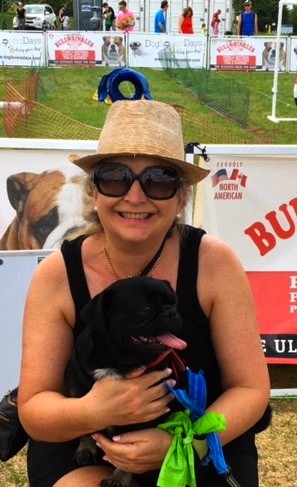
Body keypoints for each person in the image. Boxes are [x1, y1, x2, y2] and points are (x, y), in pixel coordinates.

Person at [18, 100, 271, 487]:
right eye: (115, 177)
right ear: (93, 193)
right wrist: (94, 410)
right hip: (84, 438)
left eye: (159, 180)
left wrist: (186, 443)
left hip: (204, 432)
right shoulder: (57, 274)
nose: (135, 196)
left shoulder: (214, 262)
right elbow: (35, 409)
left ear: (181, 196)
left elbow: (251, 389)